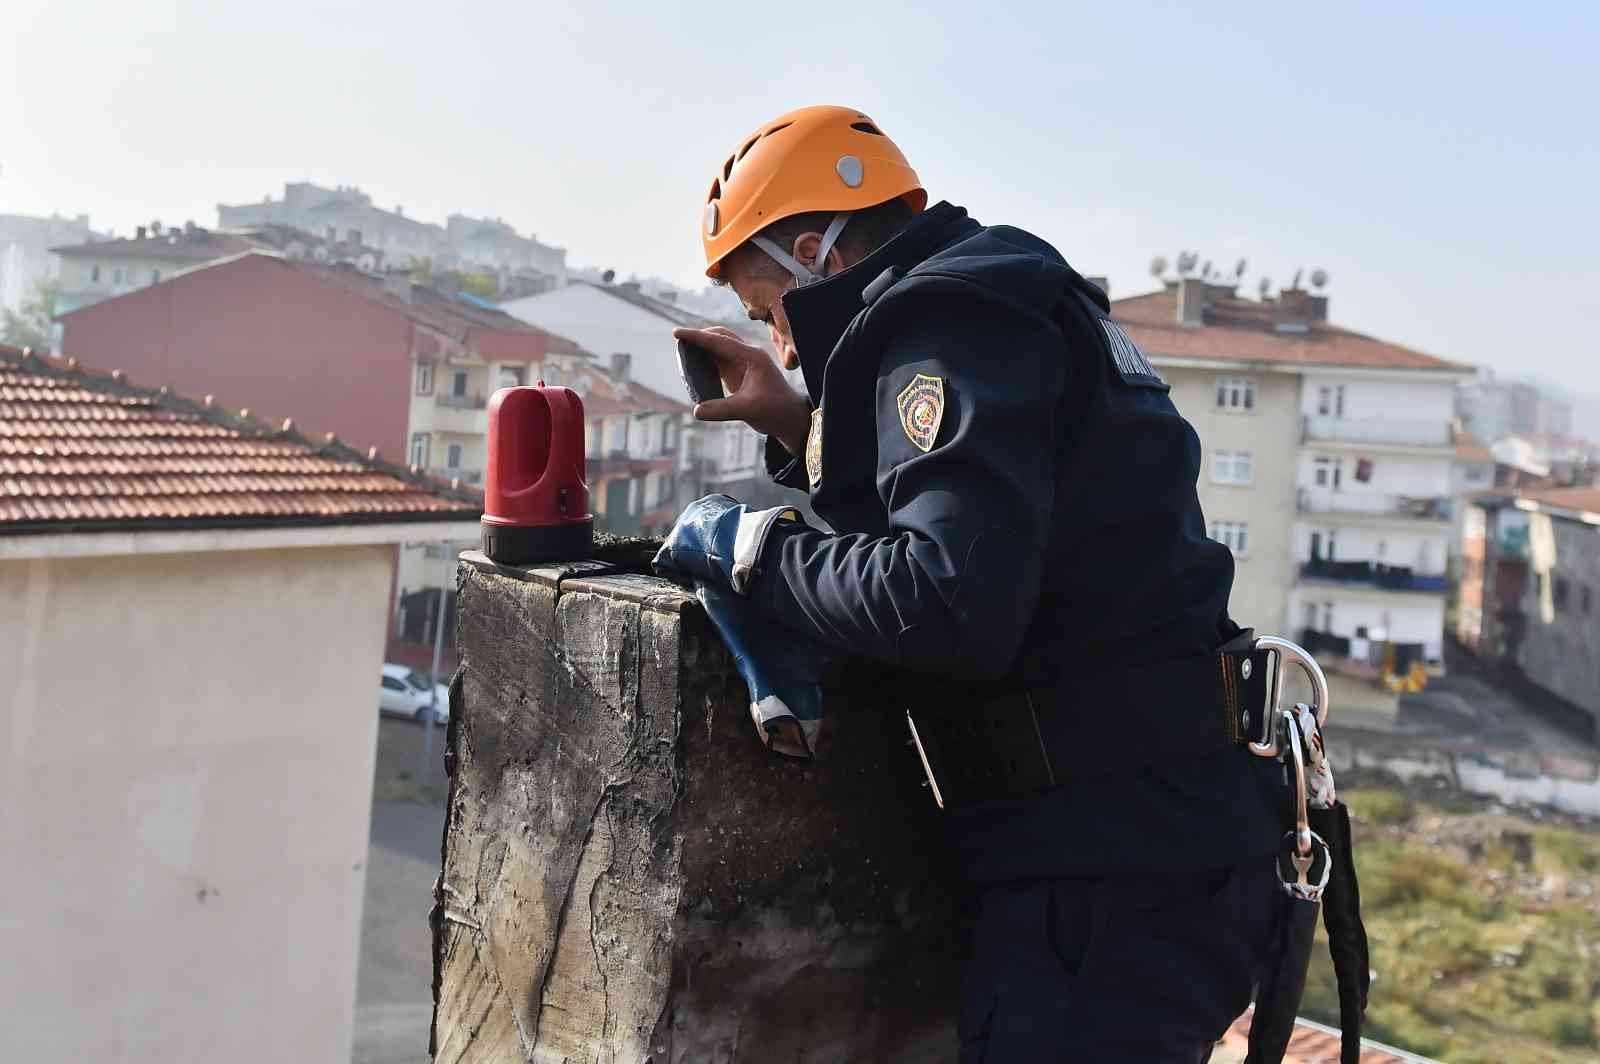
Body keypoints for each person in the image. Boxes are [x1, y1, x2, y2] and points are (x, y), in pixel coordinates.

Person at [654, 105, 1289, 1063]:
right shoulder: (1001, 294)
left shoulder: (950, 316)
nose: (782, 346)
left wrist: (750, 549)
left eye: (769, 310)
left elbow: (945, 598)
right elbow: (993, 516)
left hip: (1109, 876)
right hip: (1149, 842)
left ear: (817, 252)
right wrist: (796, 426)